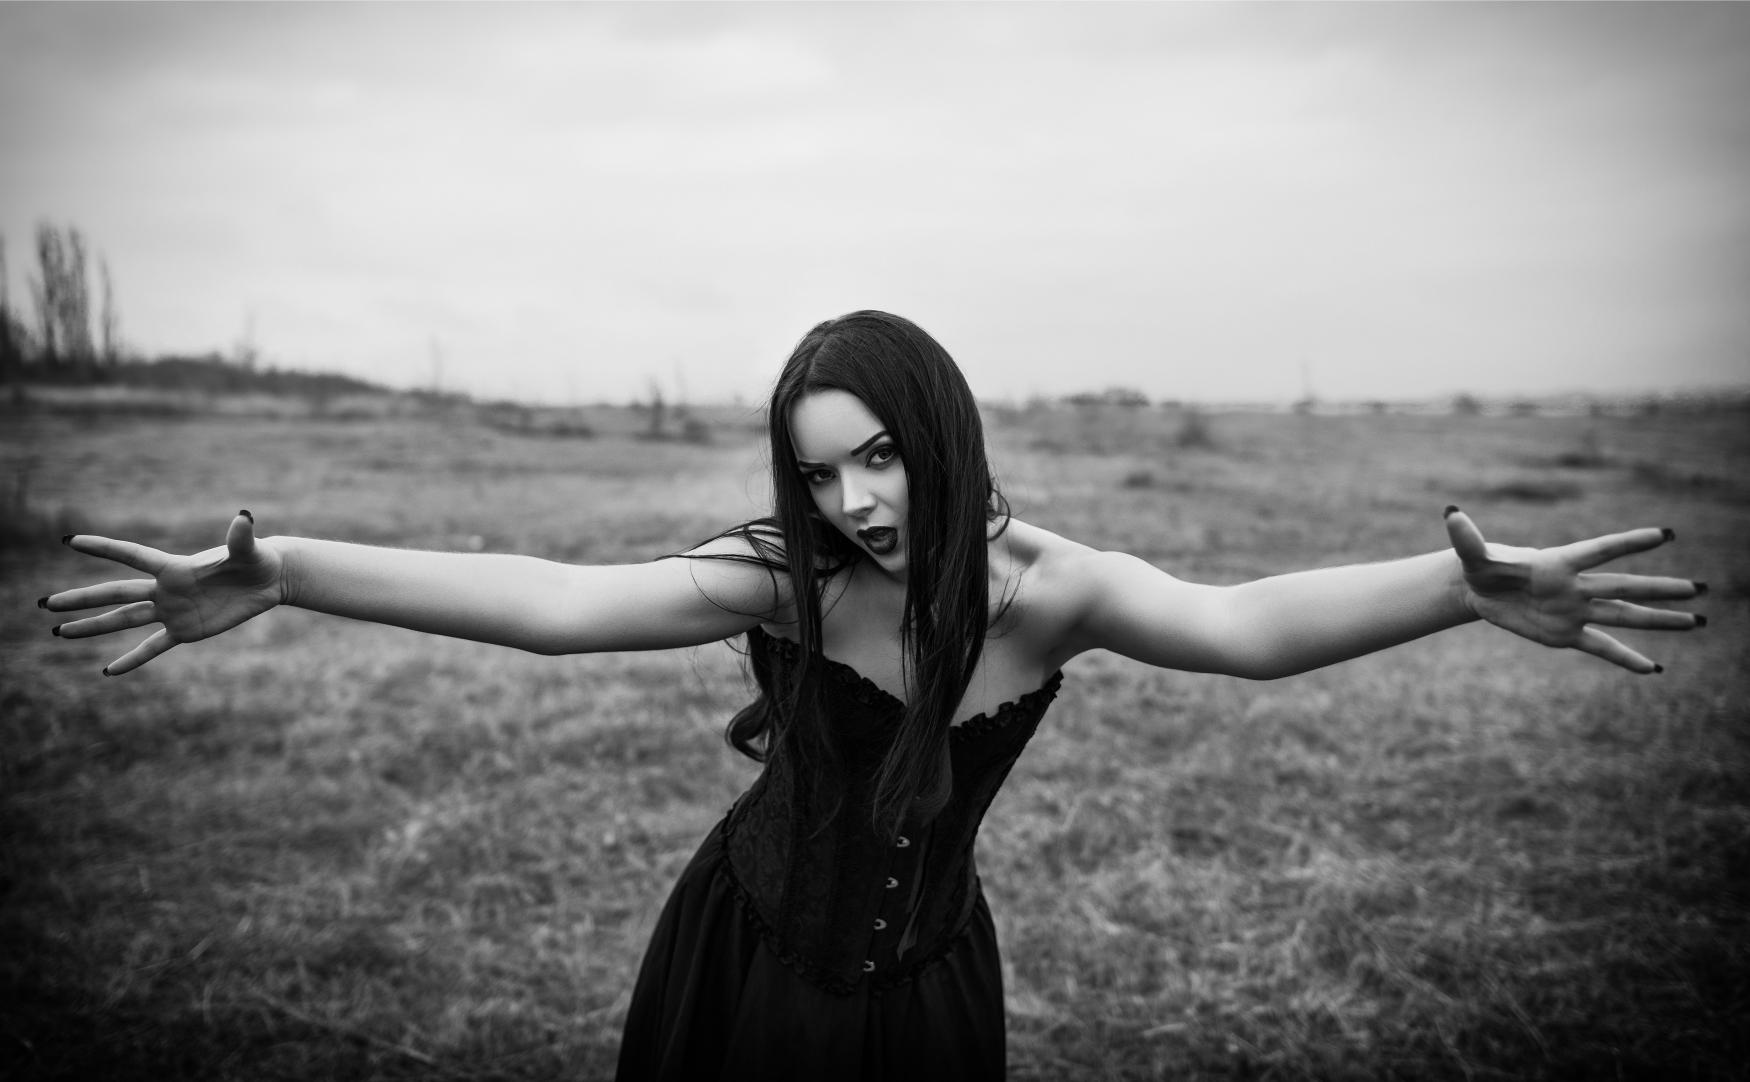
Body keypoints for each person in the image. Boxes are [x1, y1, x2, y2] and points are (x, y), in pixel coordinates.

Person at [41, 311, 1703, 1080]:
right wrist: (287, 568)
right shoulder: (785, 580)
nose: (857, 501)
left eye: (885, 454)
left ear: (944, 432)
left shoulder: (1051, 595)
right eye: (822, 469)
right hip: (745, 963)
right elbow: (553, 606)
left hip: (923, 990)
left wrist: (1462, 590)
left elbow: (1249, 625)